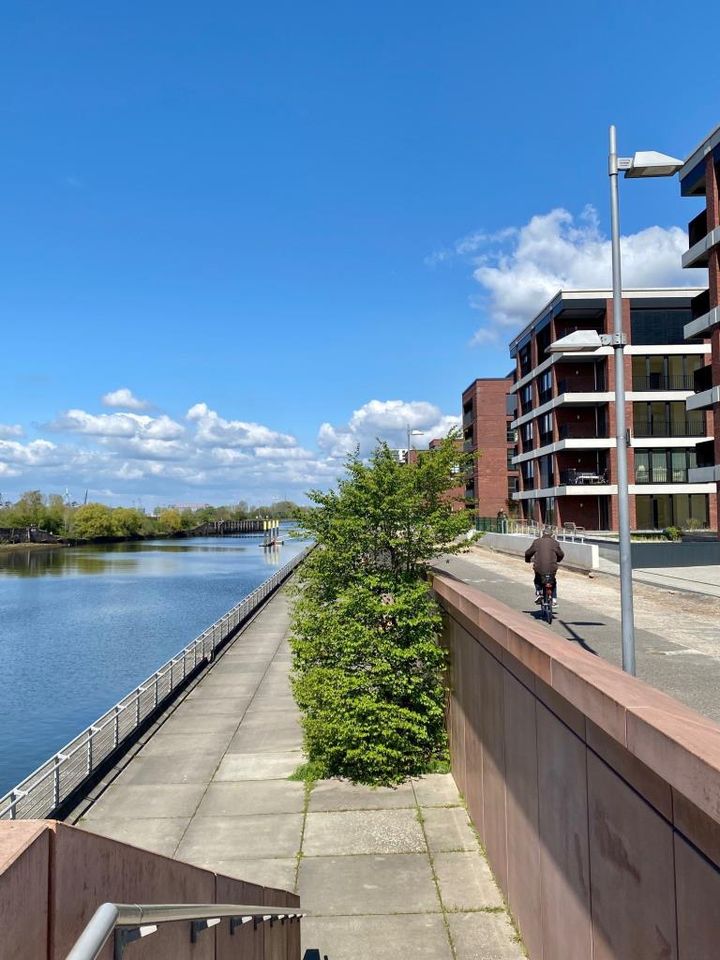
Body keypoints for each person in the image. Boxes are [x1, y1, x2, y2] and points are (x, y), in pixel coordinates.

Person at [524, 525, 564, 607]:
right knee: (553, 582)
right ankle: (554, 600)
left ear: (543, 533)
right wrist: (558, 560)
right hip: (552, 568)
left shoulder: (537, 542)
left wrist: (527, 560)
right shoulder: (555, 543)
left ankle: (539, 592)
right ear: (551, 535)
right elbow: (561, 554)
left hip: (539, 568)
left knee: (537, 579)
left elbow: (528, 553)